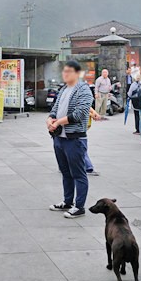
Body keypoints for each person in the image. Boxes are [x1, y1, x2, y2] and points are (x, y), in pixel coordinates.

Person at [47, 60, 93, 219]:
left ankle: (79, 207)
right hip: (59, 138)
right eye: (64, 71)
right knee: (65, 172)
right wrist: (50, 120)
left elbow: (79, 114)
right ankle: (67, 202)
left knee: (78, 173)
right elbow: (54, 109)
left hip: (75, 139)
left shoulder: (84, 90)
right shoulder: (63, 89)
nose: (65, 74)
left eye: (69, 71)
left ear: (77, 73)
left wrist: (58, 122)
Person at [127, 69, 141, 135]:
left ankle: (138, 129)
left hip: (135, 102)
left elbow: (129, 94)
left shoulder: (133, 85)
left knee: (137, 116)